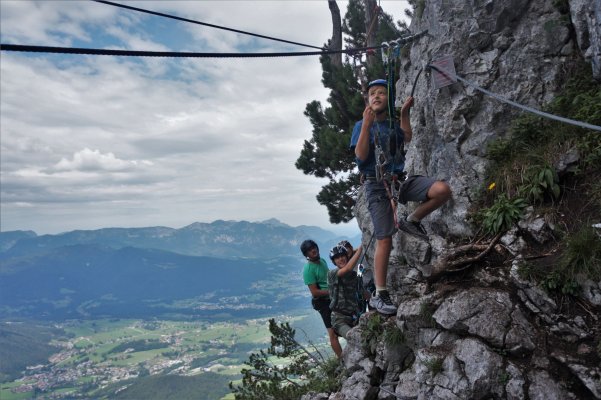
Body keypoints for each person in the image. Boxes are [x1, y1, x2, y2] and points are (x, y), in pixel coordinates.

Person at [350, 79, 452, 315]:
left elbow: (406, 136)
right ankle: (380, 293)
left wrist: (404, 113)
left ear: (388, 99)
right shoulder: (361, 125)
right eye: (372, 94)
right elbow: (360, 155)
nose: (376, 96)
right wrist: (366, 126)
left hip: (399, 180)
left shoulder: (392, 124)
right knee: (385, 238)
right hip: (376, 186)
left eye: (382, 93)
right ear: (367, 100)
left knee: (441, 191)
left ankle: (413, 220)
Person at [300, 239, 342, 357]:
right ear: (306, 255)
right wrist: (331, 291)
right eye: (309, 250)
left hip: (333, 297)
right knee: (332, 333)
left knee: (344, 323)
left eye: (314, 247)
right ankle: (342, 359)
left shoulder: (322, 261)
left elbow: (328, 278)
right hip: (324, 303)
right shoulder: (308, 270)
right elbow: (314, 292)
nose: (313, 250)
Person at [327, 243, 365, 339]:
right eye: (337, 258)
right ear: (334, 262)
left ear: (347, 256)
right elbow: (347, 268)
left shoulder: (354, 275)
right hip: (339, 320)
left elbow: (362, 292)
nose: (340, 259)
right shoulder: (332, 274)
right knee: (356, 339)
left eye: (342, 256)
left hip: (354, 316)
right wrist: (361, 248)